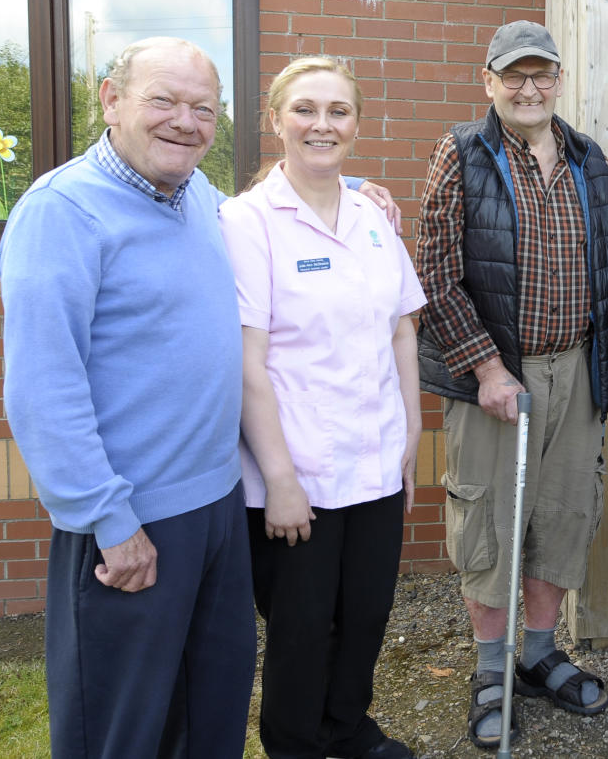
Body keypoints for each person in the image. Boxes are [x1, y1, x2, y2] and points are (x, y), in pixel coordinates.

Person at [416, 19, 608, 749]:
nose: (527, 87)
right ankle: (492, 670)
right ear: (489, 82)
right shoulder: (461, 154)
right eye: (513, 74)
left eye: (541, 73)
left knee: (560, 519)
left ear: (557, 81)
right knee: (488, 527)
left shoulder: (585, 157)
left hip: (578, 369)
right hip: (495, 375)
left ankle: (541, 652)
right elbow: (436, 276)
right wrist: (485, 368)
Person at [0, 37, 256, 758]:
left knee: (210, 716)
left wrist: (357, 193)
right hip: (130, 521)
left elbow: (268, 213)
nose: (185, 121)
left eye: (203, 108)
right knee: (122, 731)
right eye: (164, 101)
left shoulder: (197, 194)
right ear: (112, 100)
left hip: (215, 508)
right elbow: (42, 387)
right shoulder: (63, 212)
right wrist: (108, 518)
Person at [218, 57, 424, 759]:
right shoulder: (246, 223)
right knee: (302, 630)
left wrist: (413, 429)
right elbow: (247, 359)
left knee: (365, 614)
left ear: (357, 126)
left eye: (338, 111)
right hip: (296, 471)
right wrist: (278, 480)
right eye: (305, 109)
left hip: (374, 461)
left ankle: (347, 728)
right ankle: (296, 742)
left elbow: (401, 325)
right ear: (275, 120)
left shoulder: (372, 216)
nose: (321, 124)